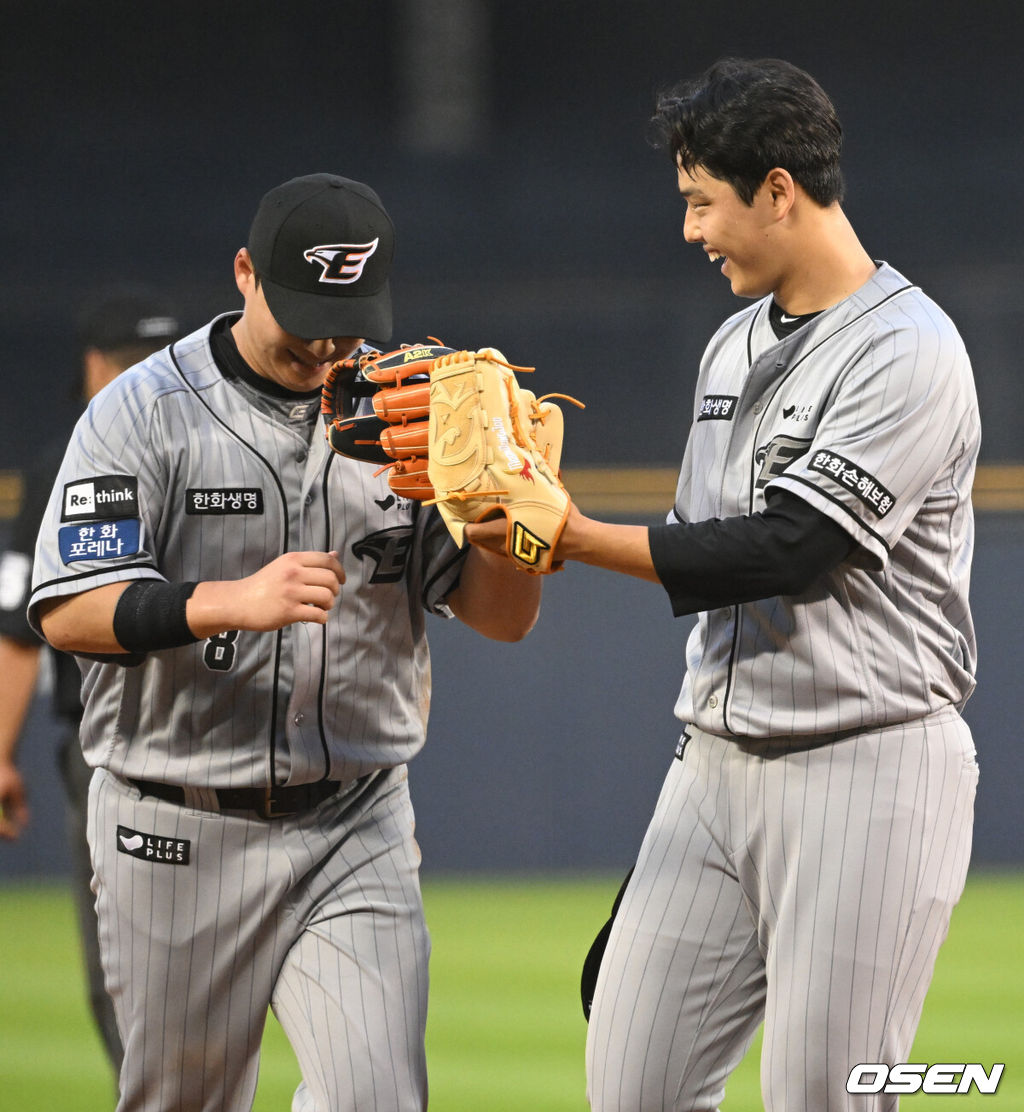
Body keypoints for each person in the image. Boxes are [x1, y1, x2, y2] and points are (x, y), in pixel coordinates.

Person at [468, 57, 981, 1111]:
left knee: (821, 1095)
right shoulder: (730, 342)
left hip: (867, 765)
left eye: (704, 201)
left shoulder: (910, 348)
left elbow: (788, 547)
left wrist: (573, 536)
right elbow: (712, 545)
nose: (692, 229)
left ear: (779, 190)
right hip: (715, 761)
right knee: (631, 1078)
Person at [28, 172, 542, 1112]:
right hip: (174, 825)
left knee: (377, 1098)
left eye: (347, 317)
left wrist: (516, 524)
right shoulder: (140, 411)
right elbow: (68, 611)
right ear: (244, 275)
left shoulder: (410, 411)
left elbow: (501, 617)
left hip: (356, 820)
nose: (325, 342)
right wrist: (225, 601)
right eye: (304, 311)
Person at [0, 287, 181, 1077]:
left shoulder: (60, 467)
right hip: (214, 736)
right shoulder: (224, 444)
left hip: (116, 748)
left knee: (127, 971)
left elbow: (16, 629)